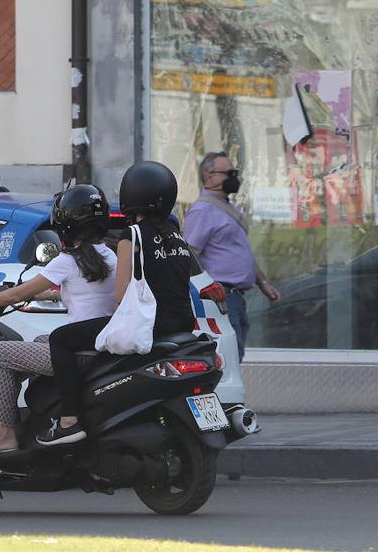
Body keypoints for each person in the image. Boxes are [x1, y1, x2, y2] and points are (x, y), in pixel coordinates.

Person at [0, 184, 118, 457]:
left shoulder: (67, 260)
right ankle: (39, 417)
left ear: (65, 221)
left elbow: (19, 293)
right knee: (40, 340)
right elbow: (81, 291)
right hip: (99, 345)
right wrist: (47, 295)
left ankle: (5, 434)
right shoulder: (108, 255)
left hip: (78, 354)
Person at [40, 161, 197, 446]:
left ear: (131, 194)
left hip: (150, 323)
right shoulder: (177, 236)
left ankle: (68, 420)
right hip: (182, 322)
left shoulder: (131, 236)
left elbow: (120, 294)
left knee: (60, 338)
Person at [184, 151, 281, 361]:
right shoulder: (202, 210)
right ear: (209, 176)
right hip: (222, 296)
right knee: (228, 358)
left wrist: (262, 282)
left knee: (235, 355)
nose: (234, 178)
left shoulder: (228, 209)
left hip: (236, 297)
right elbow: (188, 256)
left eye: (234, 172)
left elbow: (240, 251)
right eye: (228, 173)